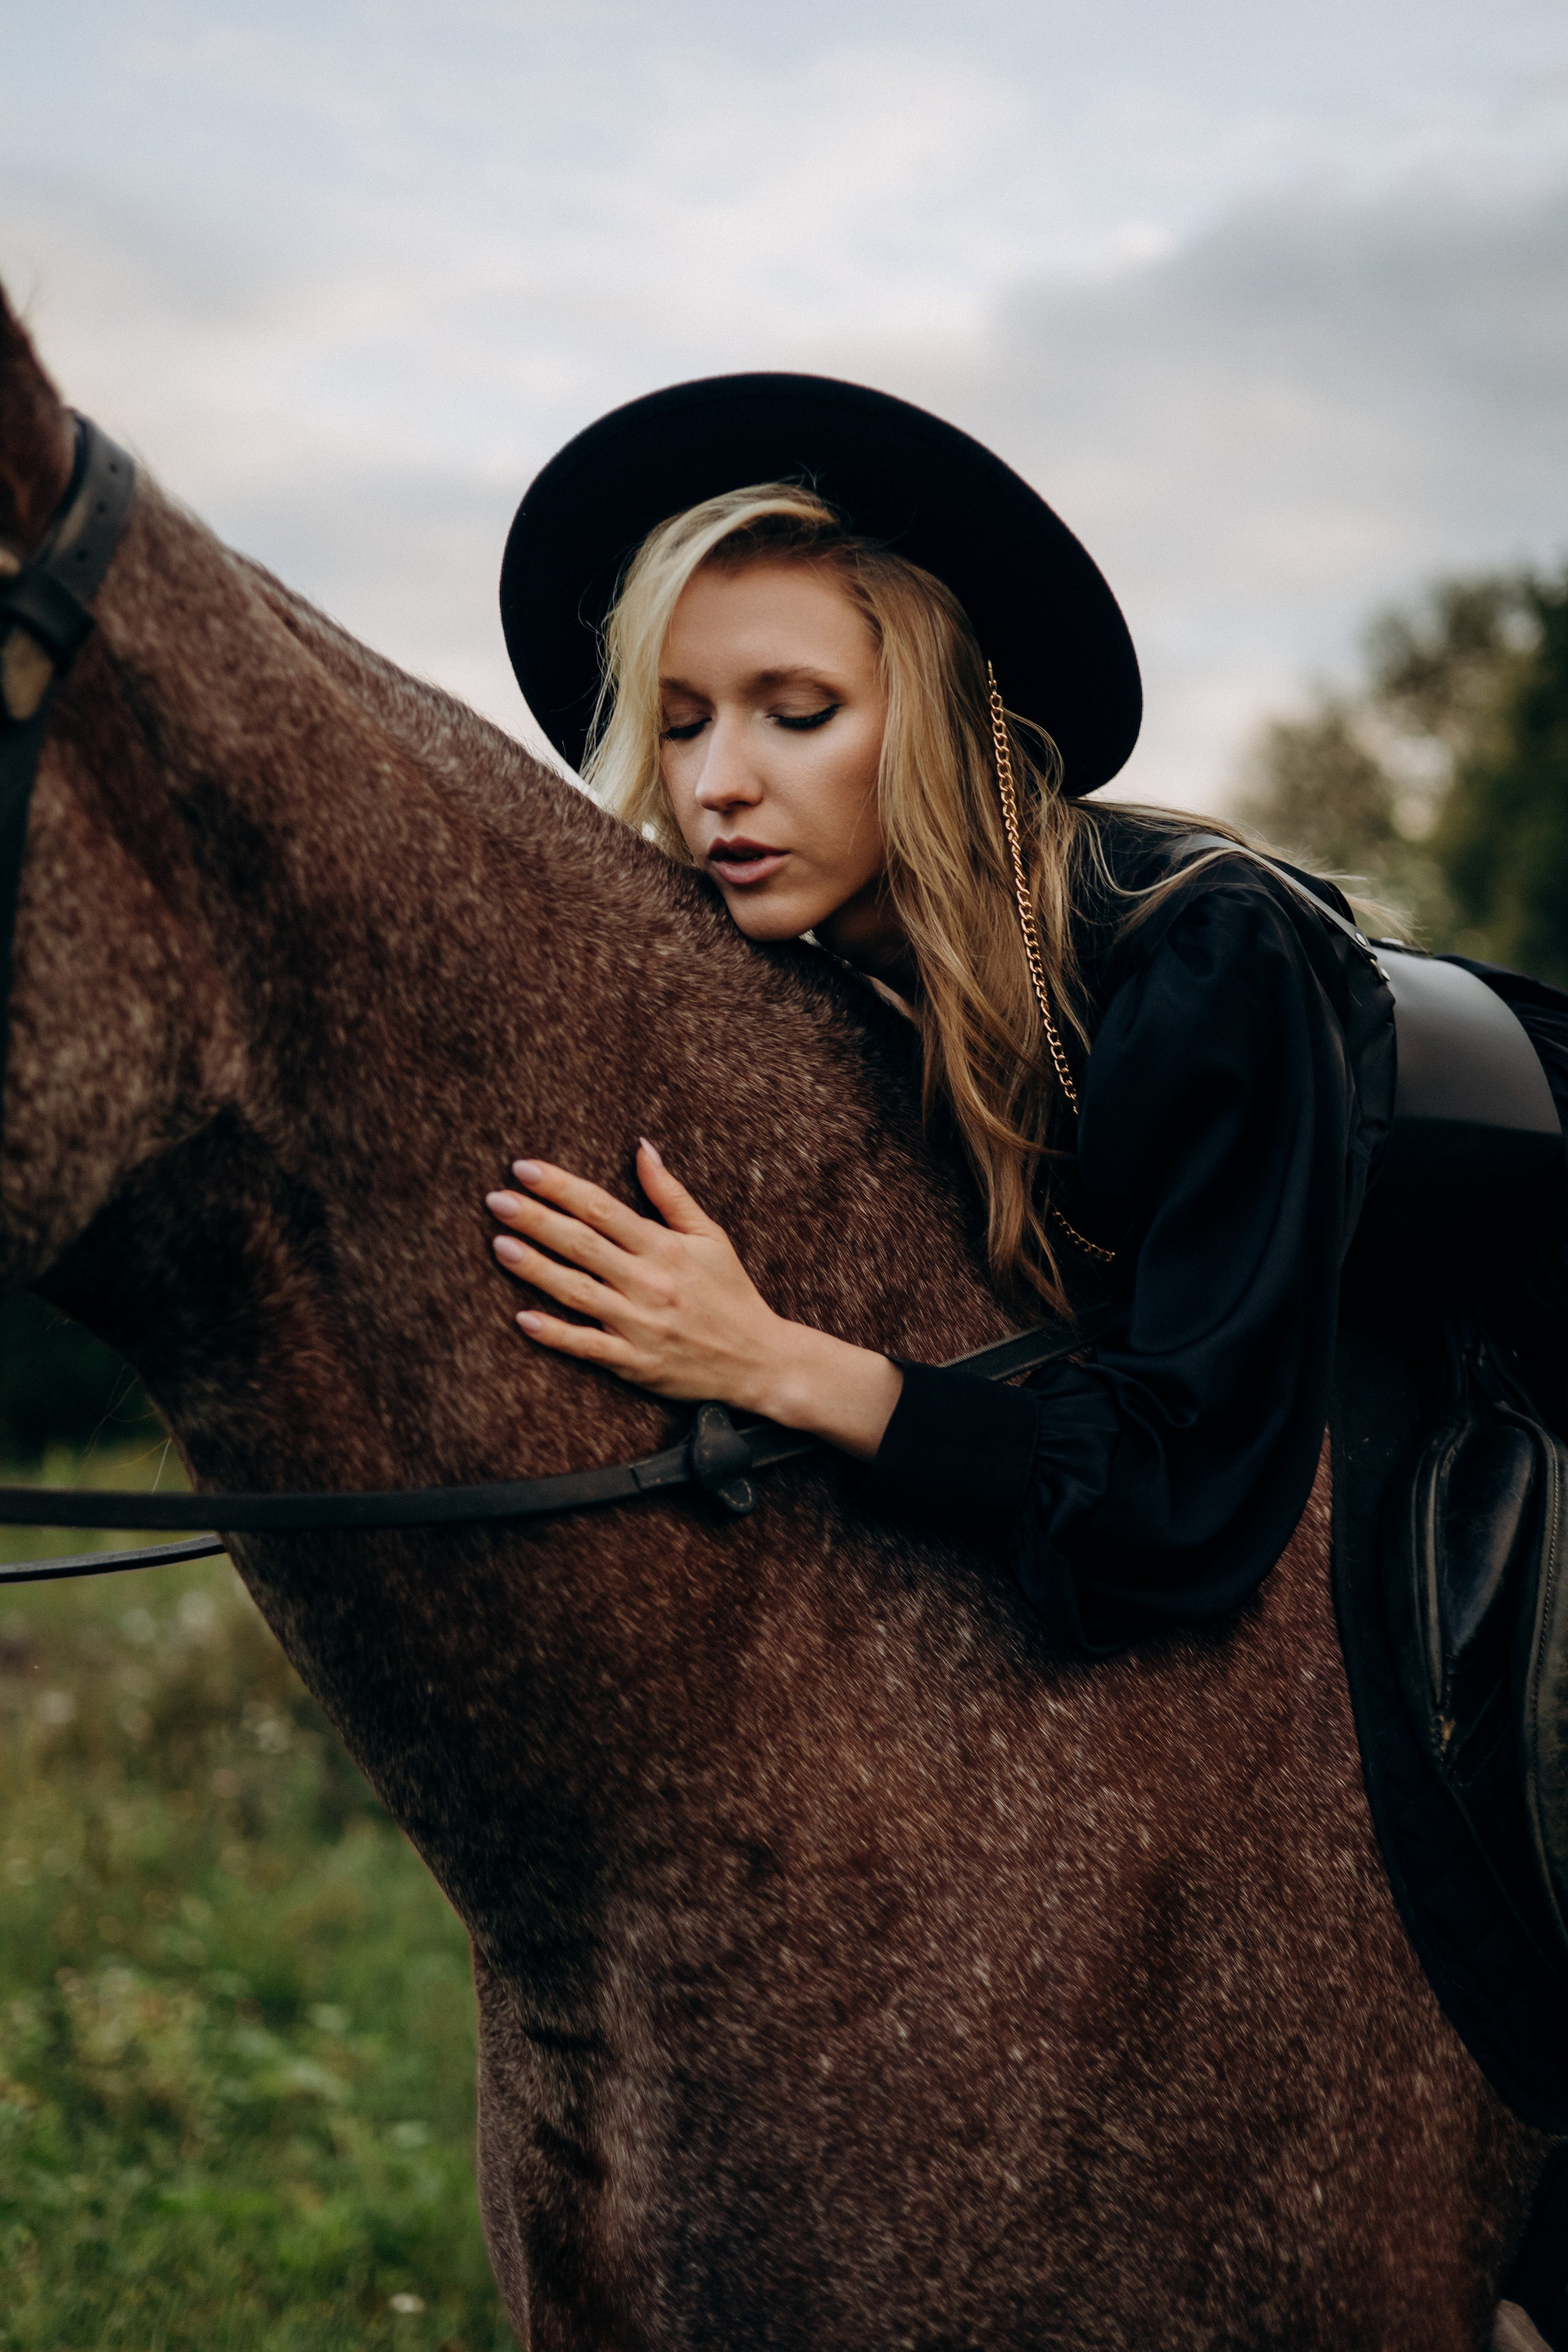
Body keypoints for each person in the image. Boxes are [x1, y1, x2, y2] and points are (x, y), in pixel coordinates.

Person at [484, 375, 1556, 1656]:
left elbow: (1184, 1494)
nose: (716, 784)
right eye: (678, 725)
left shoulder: (1201, 962)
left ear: (933, 718)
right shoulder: (832, 986)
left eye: (797, 713)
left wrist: (772, 1363)